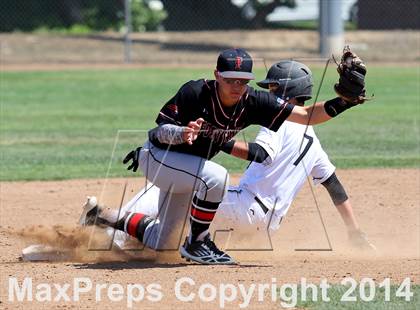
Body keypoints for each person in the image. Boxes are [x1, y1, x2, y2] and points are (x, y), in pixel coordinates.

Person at [80, 48, 369, 265]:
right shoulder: (195, 92)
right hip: (160, 156)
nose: (237, 86)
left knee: (164, 242)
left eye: (243, 81)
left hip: (191, 170)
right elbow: (159, 131)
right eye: (230, 79)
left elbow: (306, 115)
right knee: (215, 176)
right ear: (217, 75)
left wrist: (345, 102)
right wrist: (180, 134)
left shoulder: (255, 102)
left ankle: (103, 217)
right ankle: (198, 243)